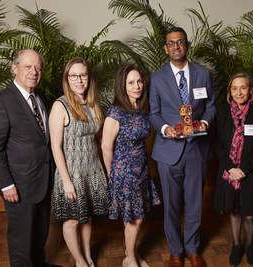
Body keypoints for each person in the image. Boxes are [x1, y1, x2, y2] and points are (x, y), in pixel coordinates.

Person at [0, 49, 60, 267]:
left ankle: (39, 263)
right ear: (14, 68)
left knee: (40, 230)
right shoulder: (0, 102)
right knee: (21, 238)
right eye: (28, 67)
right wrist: (6, 184)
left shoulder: (41, 96)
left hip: (43, 179)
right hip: (19, 184)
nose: (33, 72)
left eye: (37, 68)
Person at [149, 27, 216, 267]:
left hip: (196, 149)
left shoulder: (203, 74)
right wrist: (166, 129)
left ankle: (192, 249)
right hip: (169, 150)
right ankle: (176, 251)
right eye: (171, 43)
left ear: (188, 46)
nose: (176, 46)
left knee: (196, 203)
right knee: (172, 206)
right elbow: (154, 114)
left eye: (180, 42)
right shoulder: (156, 78)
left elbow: (211, 106)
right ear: (166, 48)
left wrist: (205, 123)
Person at [49, 58, 110, 267]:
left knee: (87, 216)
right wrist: (66, 181)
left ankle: (88, 256)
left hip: (92, 170)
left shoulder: (93, 103)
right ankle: (80, 262)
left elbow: (98, 138)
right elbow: (55, 147)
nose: (79, 80)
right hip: (71, 173)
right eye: (73, 76)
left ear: (89, 78)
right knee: (73, 220)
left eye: (83, 75)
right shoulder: (60, 105)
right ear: (67, 79)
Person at [101, 64, 160, 267]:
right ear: (122, 86)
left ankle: (130, 251)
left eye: (139, 81)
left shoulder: (142, 109)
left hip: (142, 169)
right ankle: (130, 259)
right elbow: (106, 146)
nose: (137, 86)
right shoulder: (116, 112)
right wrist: (112, 175)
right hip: (125, 173)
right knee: (136, 219)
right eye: (131, 82)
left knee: (134, 216)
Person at [213, 72, 253, 267]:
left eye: (243, 88)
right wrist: (231, 168)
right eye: (234, 88)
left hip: (251, 171)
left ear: (251, 90)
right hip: (229, 172)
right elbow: (219, 144)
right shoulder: (221, 112)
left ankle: (249, 245)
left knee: (250, 213)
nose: (239, 92)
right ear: (230, 91)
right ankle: (236, 245)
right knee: (235, 210)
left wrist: (243, 169)